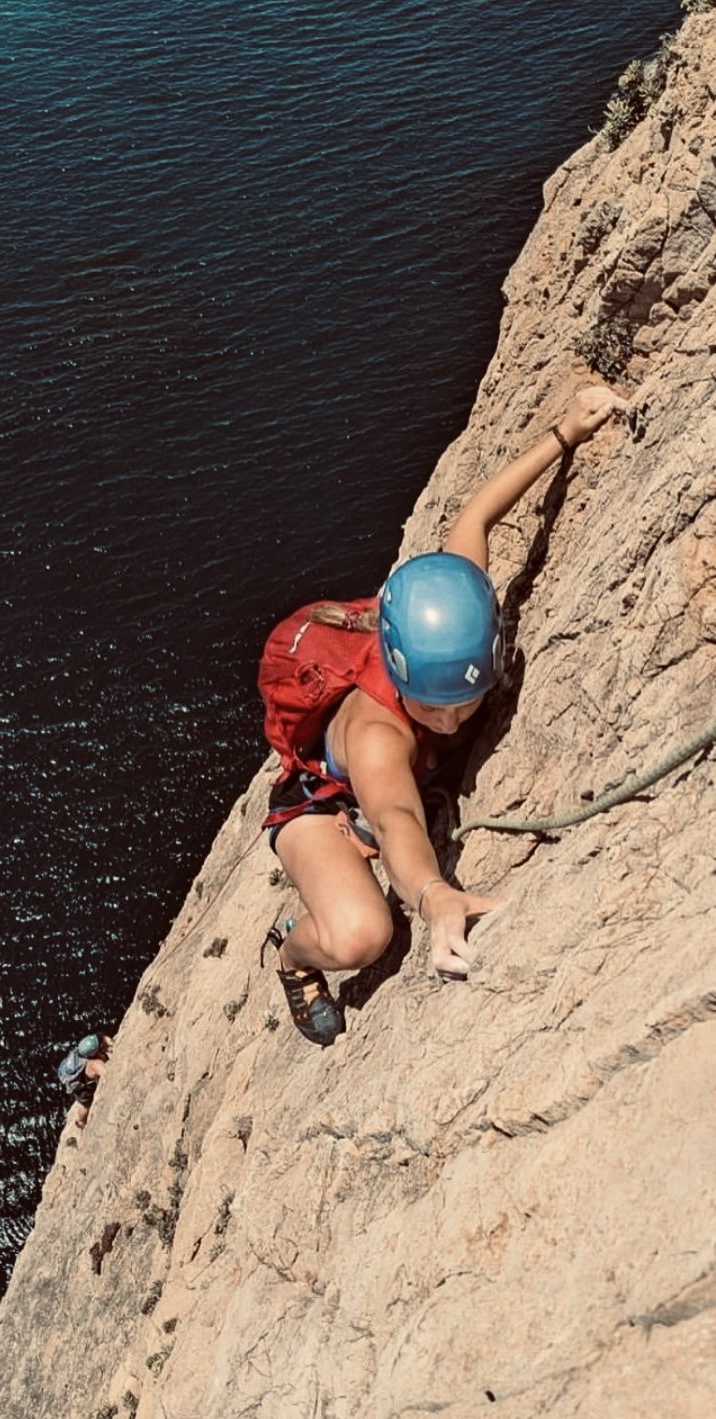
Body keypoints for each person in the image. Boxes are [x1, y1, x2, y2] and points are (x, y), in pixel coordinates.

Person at [263, 384, 629, 1045]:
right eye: (436, 708)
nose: (457, 721)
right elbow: (397, 814)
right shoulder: (378, 737)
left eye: (471, 698)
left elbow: (476, 517)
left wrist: (565, 433)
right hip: (321, 802)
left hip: (383, 778)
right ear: (401, 679)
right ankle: (292, 952)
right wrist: (433, 896)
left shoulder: (450, 611)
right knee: (361, 935)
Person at [56, 1033, 113, 1127]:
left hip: (78, 1076)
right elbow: (107, 1073)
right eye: (101, 1046)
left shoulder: (87, 1046)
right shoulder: (94, 1064)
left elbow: (102, 1037)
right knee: (85, 1106)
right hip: (82, 1087)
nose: (103, 1045)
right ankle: (80, 1122)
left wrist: (112, 1044)